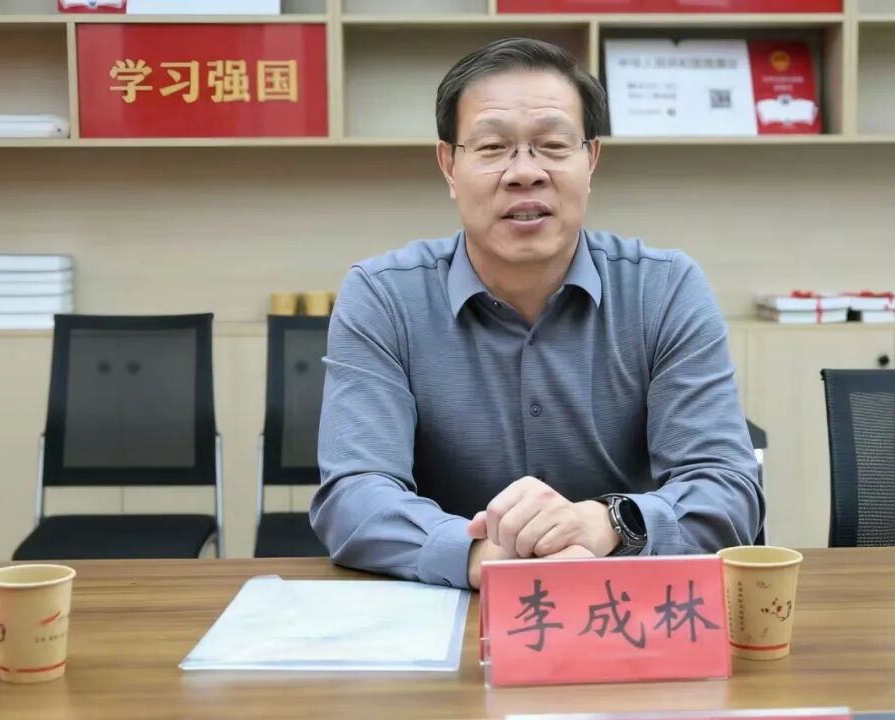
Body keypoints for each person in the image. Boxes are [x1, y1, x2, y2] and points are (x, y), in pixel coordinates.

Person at [310, 37, 763, 590]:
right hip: (450, 605)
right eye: (492, 147)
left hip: (624, 606)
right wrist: (478, 555)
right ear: (449, 165)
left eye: (551, 144)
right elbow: (354, 494)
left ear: (591, 160)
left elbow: (727, 489)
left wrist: (607, 524)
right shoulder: (383, 297)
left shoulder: (665, 289)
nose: (525, 172)